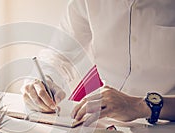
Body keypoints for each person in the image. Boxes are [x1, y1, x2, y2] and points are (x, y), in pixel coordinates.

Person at [22, 0, 175, 125]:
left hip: (167, 127)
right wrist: (42, 79)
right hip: (106, 126)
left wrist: (140, 106)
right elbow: (59, 54)